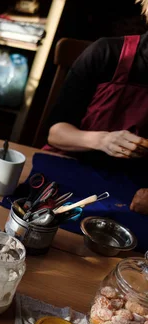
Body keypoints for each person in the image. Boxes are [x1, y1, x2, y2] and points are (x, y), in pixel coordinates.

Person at [47, 0, 148, 214]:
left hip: (134, 194)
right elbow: (56, 134)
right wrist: (103, 140)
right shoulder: (107, 53)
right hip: (70, 170)